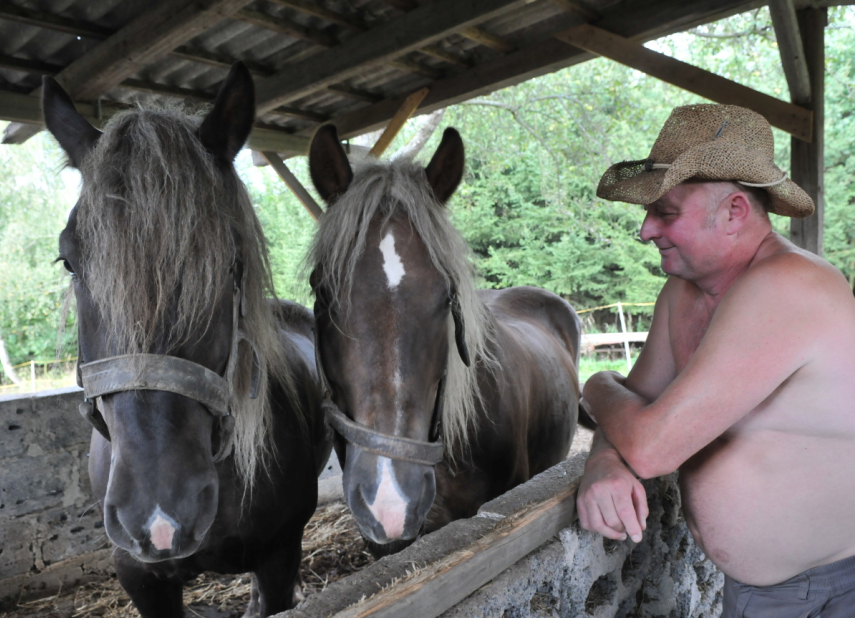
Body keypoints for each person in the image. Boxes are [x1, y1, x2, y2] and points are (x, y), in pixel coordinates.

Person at [576, 104, 855, 617]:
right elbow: (634, 412)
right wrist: (603, 461)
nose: (644, 231)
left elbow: (651, 445)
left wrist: (594, 384)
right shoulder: (681, 293)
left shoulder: (789, 285)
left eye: (665, 212)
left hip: (833, 590)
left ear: (733, 212)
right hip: (762, 593)